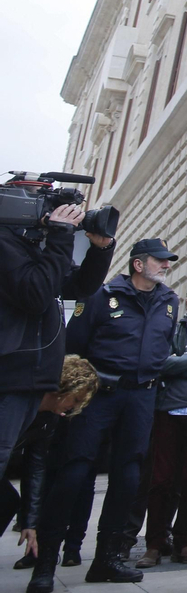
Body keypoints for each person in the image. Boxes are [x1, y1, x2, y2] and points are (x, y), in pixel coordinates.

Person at [28, 236, 180, 592]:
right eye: (159, 260)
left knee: (128, 478)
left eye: (167, 260)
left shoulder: (169, 302)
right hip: (100, 394)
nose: (166, 265)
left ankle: (107, 559)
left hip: (141, 397)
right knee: (73, 472)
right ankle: (46, 562)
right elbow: (75, 346)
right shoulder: (102, 295)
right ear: (138, 264)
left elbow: (163, 346)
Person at [0, 199, 112, 475]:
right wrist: (60, 236)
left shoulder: (37, 250)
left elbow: (80, 287)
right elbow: (36, 294)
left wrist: (101, 250)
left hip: (30, 378)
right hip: (10, 376)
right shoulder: (6, 244)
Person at [137, 281, 187, 569]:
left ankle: (183, 542)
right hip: (168, 410)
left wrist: (181, 363)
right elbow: (162, 365)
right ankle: (154, 544)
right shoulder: (174, 328)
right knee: (160, 480)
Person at [0, 356, 100, 567]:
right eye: (76, 400)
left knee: (8, 500)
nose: (74, 407)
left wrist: (30, 522)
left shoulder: (48, 418)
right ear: (65, 389)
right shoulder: (19, 398)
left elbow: (35, 465)